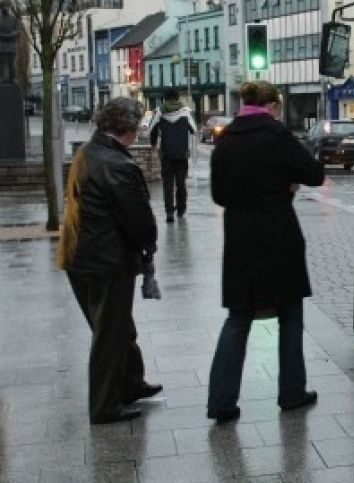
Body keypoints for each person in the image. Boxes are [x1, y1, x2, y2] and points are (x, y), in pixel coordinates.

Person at [206, 81, 325, 423]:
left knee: (238, 316)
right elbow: (315, 174)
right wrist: (284, 186)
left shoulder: (225, 139)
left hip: (241, 239)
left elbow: (218, 195)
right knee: (290, 314)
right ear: (272, 105)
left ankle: (221, 401)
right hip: (279, 237)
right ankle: (291, 393)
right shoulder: (278, 135)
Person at [58, 97, 162, 425]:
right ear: (127, 128)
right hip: (106, 261)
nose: (141, 130)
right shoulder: (117, 164)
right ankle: (104, 405)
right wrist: (149, 246)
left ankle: (131, 383)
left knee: (118, 327)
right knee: (109, 334)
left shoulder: (87, 152)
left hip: (79, 255)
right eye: (138, 125)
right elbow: (137, 218)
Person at [149, 88, 197, 223]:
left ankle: (169, 212)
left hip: (166, 153)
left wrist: (153, 144)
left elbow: (152, 130)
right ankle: (181, 210)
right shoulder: (185, 112)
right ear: (177, 98)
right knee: (181, 183)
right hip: (182, 153)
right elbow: (194, 130)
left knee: (168, 183)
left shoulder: (159, 112)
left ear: (165, 98)